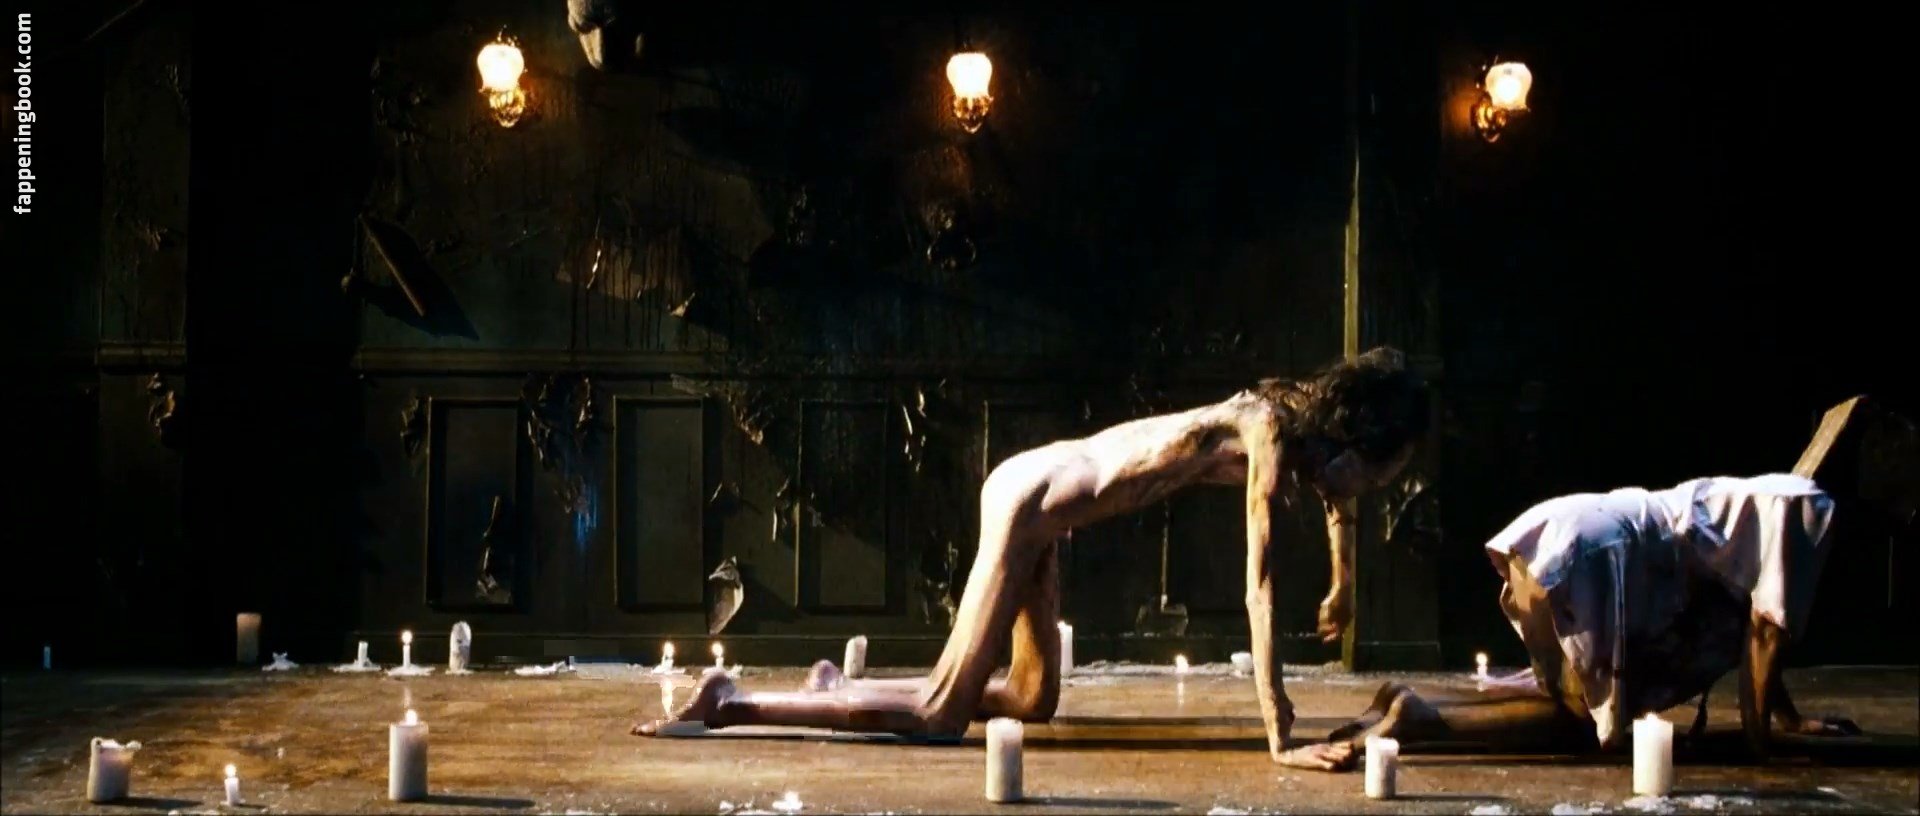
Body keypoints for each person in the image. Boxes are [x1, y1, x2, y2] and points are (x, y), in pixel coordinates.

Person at [633, 347, 1432, 769]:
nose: (1366, 493)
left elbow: (1336, 498)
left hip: (1047, 504)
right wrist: (1278, 731)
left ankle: (839, 688)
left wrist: (1343, 584)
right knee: (941, 718)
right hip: (1027, 502)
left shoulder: (1300, 429)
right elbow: (1259, 585)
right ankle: (732, 702)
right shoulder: (1268, 431)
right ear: (1354, 441)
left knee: (1028, 697)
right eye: (1379, 474)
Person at [1317, 473, 1862, 769]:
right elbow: (1766, 635)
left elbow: (1760, 628)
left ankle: (1400, 697)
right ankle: (1416, 720)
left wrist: (1788, 719)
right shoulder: (1813, 510)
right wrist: (1763, 749)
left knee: (1556, 694)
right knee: (1576, 721)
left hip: (1561, 528)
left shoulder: (1772, 494)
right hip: (1598, 552)